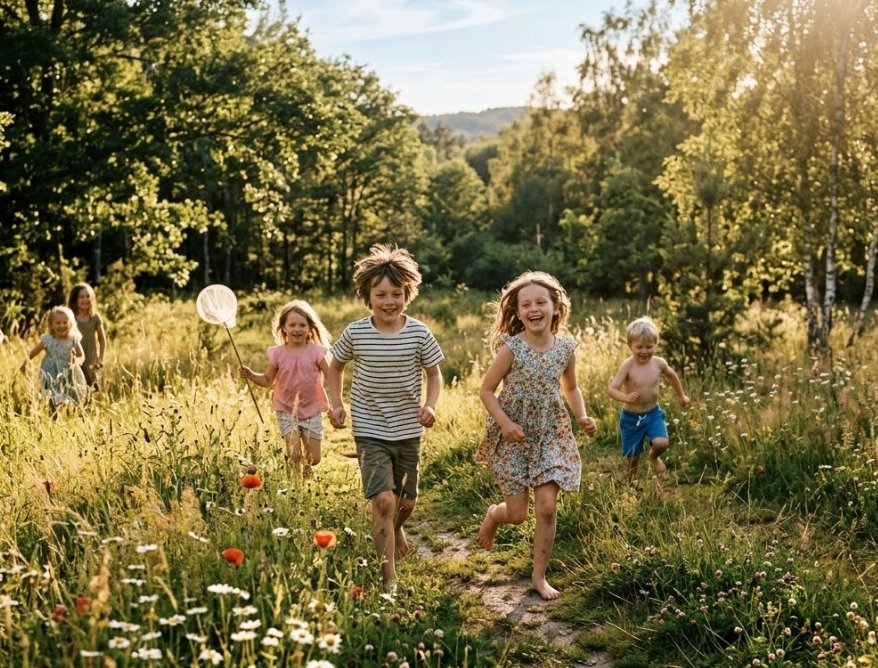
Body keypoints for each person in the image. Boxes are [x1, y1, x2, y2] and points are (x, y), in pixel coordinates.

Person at [326, 244, 444, 593]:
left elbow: (434, 374)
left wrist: (431, 404)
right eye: (380, 294)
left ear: (408, 294)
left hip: (408, 428)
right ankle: (388, 579)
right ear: (368, 296)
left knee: (406, 502)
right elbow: (334, 366)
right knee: (384, 500)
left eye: (396, 294)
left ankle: (394, 527)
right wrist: (336, 403)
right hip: (369, 428)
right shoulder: (356, 333)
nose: (389, 301)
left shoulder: (419, 333)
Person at [475, 271, 597, 601]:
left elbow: (571, 388)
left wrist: (582, 415)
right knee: (517, 515)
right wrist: (504, 423)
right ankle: (493, 515)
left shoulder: (566, 349)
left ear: (556, 308)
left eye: (541, 302)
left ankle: (538, 576)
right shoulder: (511, 348)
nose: (534, 308)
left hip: (552, 433)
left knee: (546, 507)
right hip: (514, 433)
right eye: (525, 304)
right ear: (516, 313)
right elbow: (486, 390)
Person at [240, 300, 331, 479]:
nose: (297, 329)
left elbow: (331, 376)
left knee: (314, 458)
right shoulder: (278, 354)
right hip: (286, 409)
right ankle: (294, 484)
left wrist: (336, 403)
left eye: (302, 325)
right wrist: (251, 375)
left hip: (312, 409)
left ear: (310, 328)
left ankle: (307, 468)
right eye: (292, 325)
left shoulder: (317, 352)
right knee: (294, 454)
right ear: (283, 328)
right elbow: (267, 380)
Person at [608, 316, 690, 487]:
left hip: (653, 414)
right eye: (639, 347)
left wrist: (681, 396)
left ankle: (654, 457)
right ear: (629, 345)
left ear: (656, 345)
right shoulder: (628, 366)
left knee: (662, 442)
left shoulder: (659, 363)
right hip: (631, 418)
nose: (644, 351)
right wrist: (625, 397)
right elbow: (612, 389)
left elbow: (671, 375)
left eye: (649, 346)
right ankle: (631, 483)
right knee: (633, 456)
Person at [20, 305, 88, 409]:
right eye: (58, 323)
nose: (62, 325)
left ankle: (70, 414)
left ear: (70, 323)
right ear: (51, 324)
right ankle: (53, 414)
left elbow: (81, 355)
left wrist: (75, 361)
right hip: (50, 372)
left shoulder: (73, 339)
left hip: (68, 372)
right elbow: (33, 353)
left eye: (65, 322)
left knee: (70, 396)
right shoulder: (48, 340)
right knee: (52, 398)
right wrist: (25, 364)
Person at [67, 282, 107, 390]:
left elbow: (102, 340)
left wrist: (100, 359)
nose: (85, 300)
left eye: (87, 296)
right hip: (74, 359)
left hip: (90, 359)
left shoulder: (95, 317)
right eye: (81, 297)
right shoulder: (70, 318)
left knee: (90, 391)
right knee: (75, 389)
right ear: (75, 299)